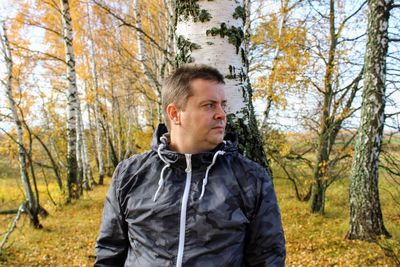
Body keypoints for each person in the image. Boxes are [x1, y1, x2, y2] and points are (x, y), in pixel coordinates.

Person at [95, 64, 286, 267]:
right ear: (175, 113)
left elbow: (268, 259)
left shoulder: (250, 178)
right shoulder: (130, 174)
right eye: (209, 105)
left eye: (222, 105)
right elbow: (109, 253)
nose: (221, 114)